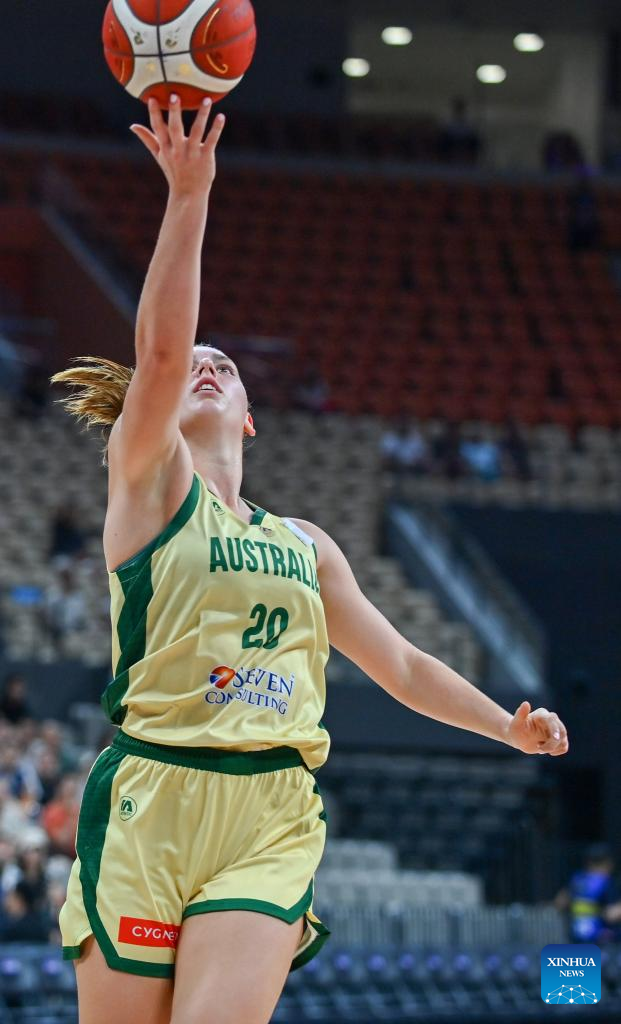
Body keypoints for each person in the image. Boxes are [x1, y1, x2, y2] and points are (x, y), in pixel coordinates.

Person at [51, 96, 568, 1024]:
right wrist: (188, 195)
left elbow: (401, 665)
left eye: (226, 366)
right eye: (195, 364)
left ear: (250, 417)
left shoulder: (306, 544)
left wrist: (505, 725)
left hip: (270, 807)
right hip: (151, 794)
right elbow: (159, 353)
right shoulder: (150, 483)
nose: (206, 368)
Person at [555, 843, 621, 944]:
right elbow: (611, 915)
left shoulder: (577, 880)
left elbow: (559, 903)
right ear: (608, 863)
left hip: (577, 939)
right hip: (602, 941)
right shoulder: (606, 882)